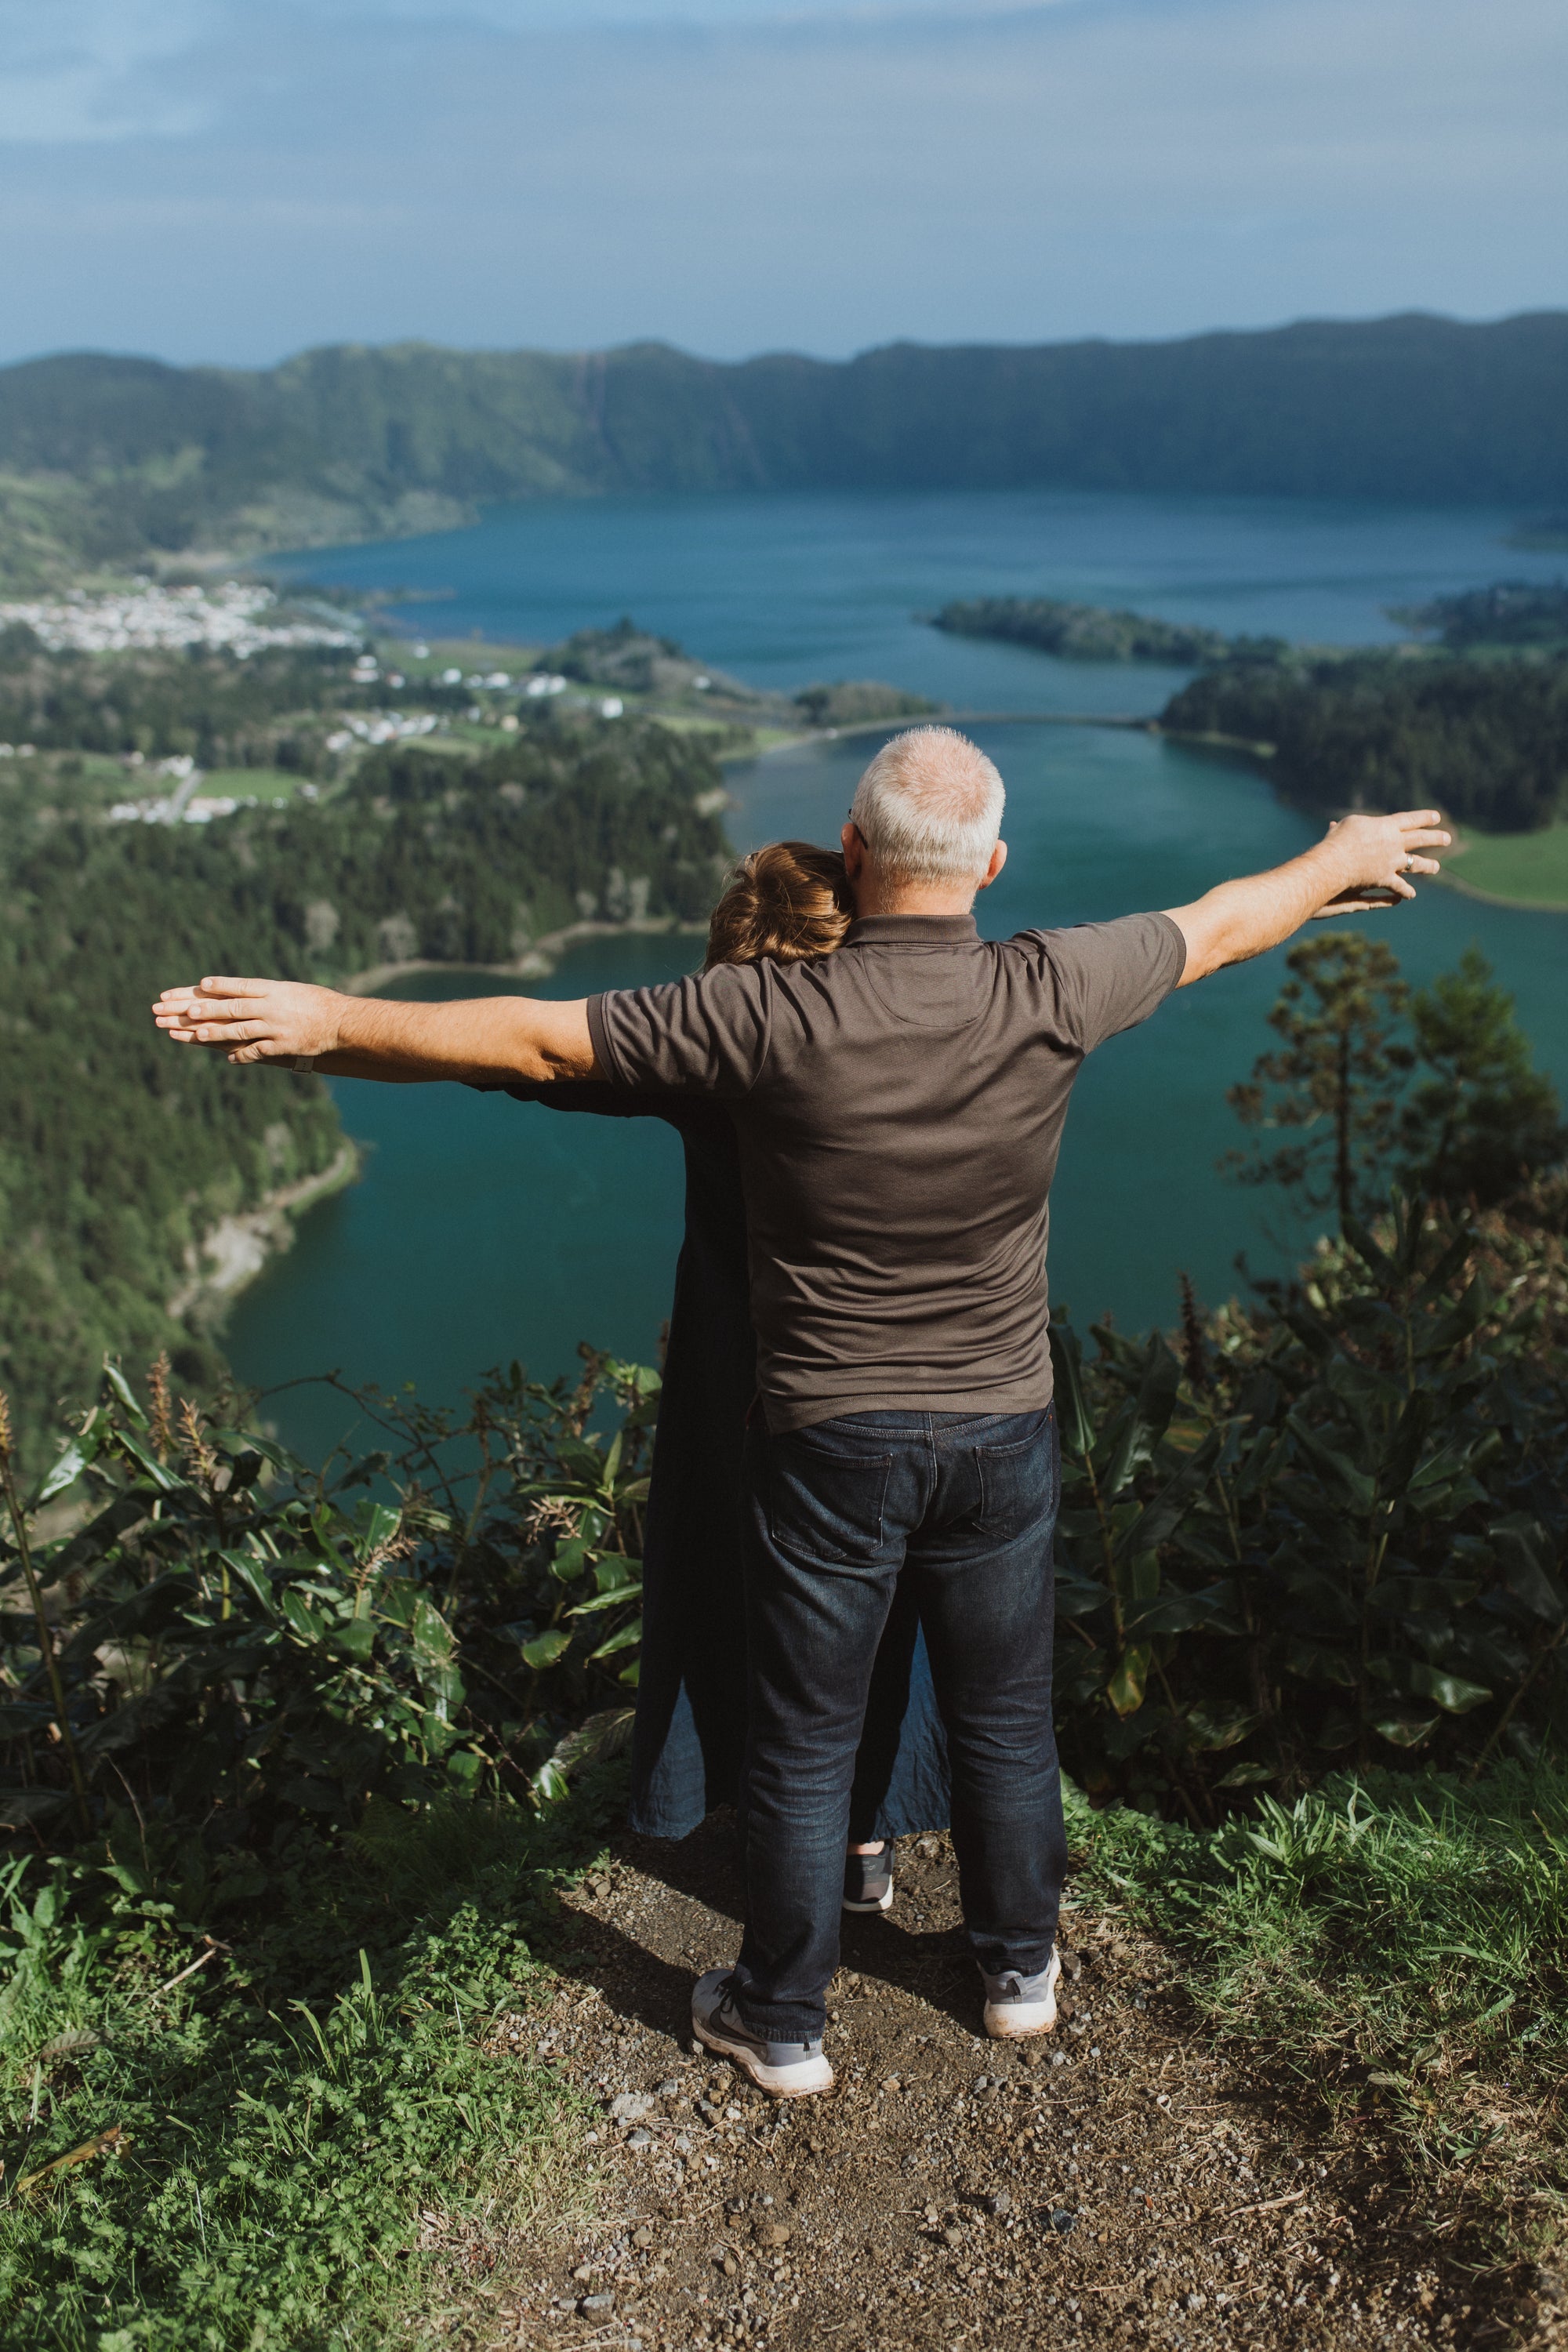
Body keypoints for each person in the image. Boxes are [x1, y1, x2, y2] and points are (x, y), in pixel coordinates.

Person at [152, 725, 1448, 2101]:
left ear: (854, 846)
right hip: (1002, 1428)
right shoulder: (1055, 984)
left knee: (807, 1735)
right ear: (992, 865)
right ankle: (1020, 1972)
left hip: (832, 1440)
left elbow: (532, 1041)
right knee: (1009, 1719)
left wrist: (329, 1022)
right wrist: (1342, 856)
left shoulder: (765, 1020)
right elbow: (1225, 924)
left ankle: (781, 2020)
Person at [490, 843, 950, 1893]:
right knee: (883, 1586)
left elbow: (528, 1060)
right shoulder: (909, 1037)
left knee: (737, 1581)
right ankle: (866, 1836)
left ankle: (760, 1818)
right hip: (890, 1367)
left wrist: (327, 1031)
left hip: (732, 1369)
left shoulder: (714, 1064)